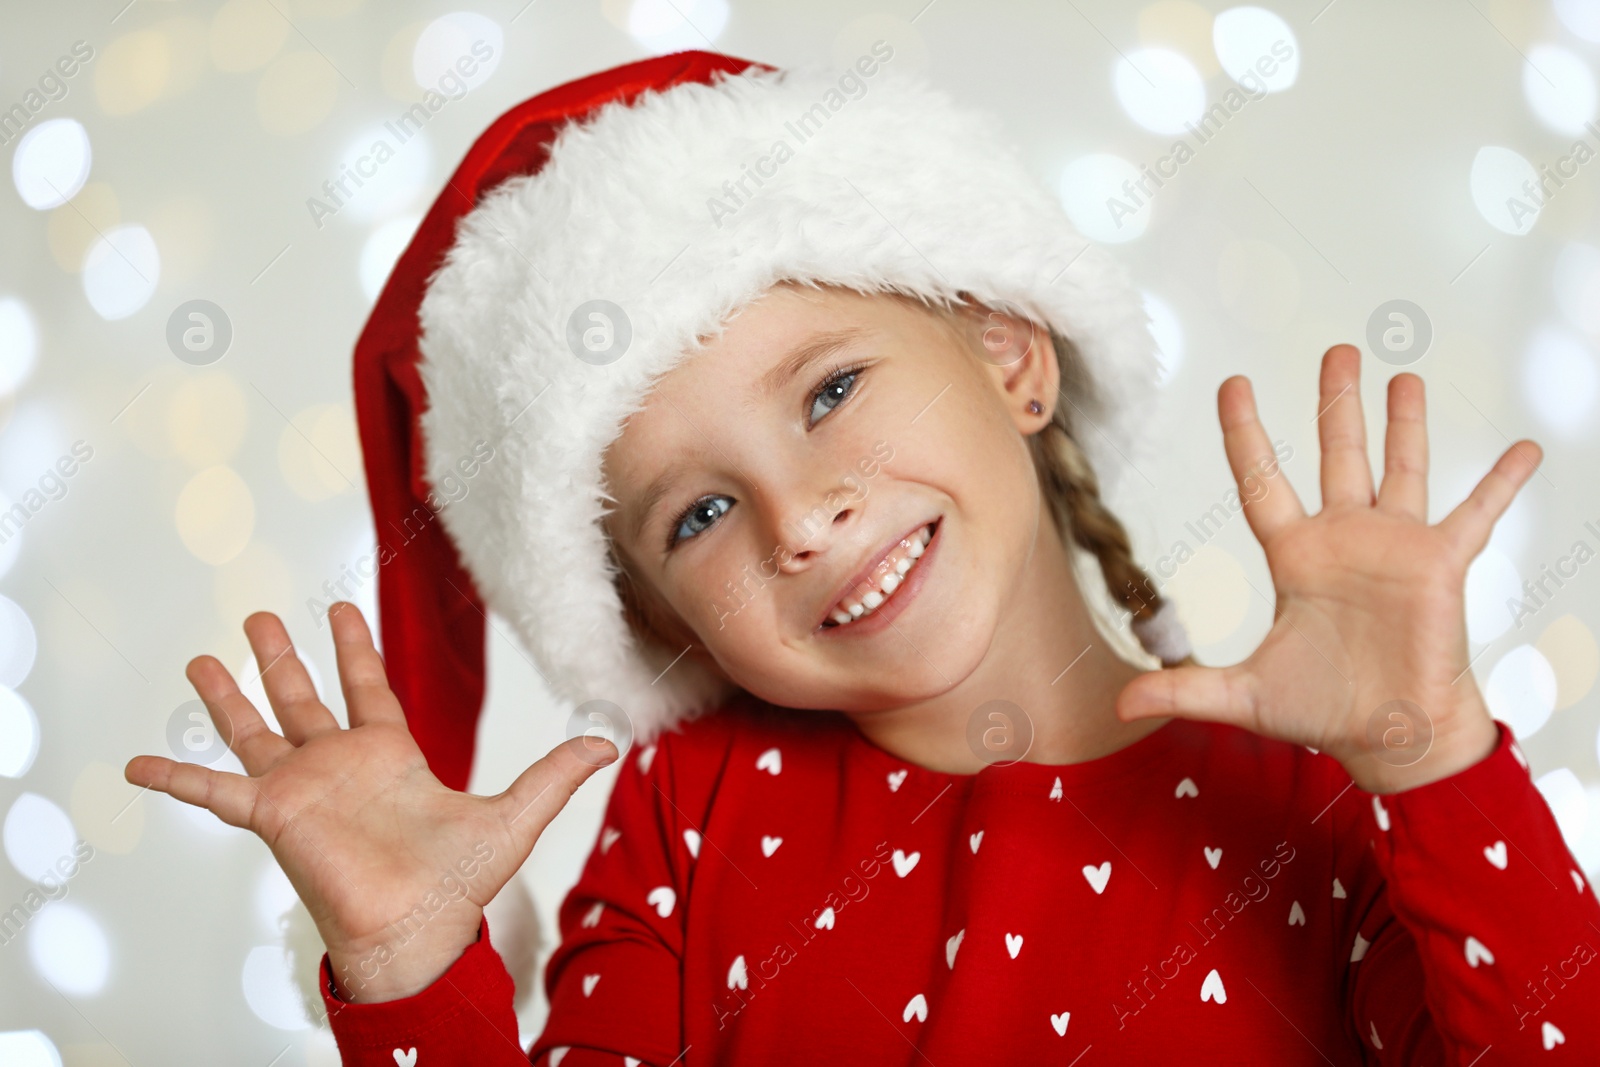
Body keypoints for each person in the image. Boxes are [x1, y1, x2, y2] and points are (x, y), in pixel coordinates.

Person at [125, 51, 1598, 1064]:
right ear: (650, 615)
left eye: (830, 391)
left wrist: (1438, 763)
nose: (802, 519)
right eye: (696, 516)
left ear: (1008, 354)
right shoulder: (687, 819)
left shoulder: (1315, 809)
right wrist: (410, 973)